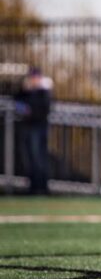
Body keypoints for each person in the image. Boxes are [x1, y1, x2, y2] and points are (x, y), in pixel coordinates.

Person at [14, 67, 52, 195]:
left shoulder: (43, 92)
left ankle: (42, 187)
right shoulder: (27, 92)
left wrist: (31, 113)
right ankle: (33, 186)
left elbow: (44, 109)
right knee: (30, 158)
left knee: (39, 158)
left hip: (39, 129)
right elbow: (16, 99)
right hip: (28, 128)